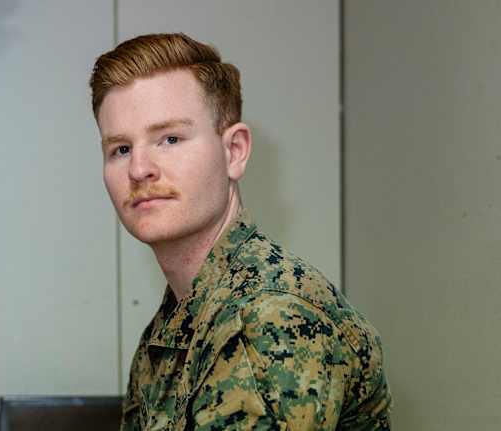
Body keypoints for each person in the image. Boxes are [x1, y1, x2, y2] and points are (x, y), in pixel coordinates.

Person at [89, 33, 392, 430]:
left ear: (234, 151)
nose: (139, 169)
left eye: (170, 139)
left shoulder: (267, 318)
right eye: (121, 149)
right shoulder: (179, 319)